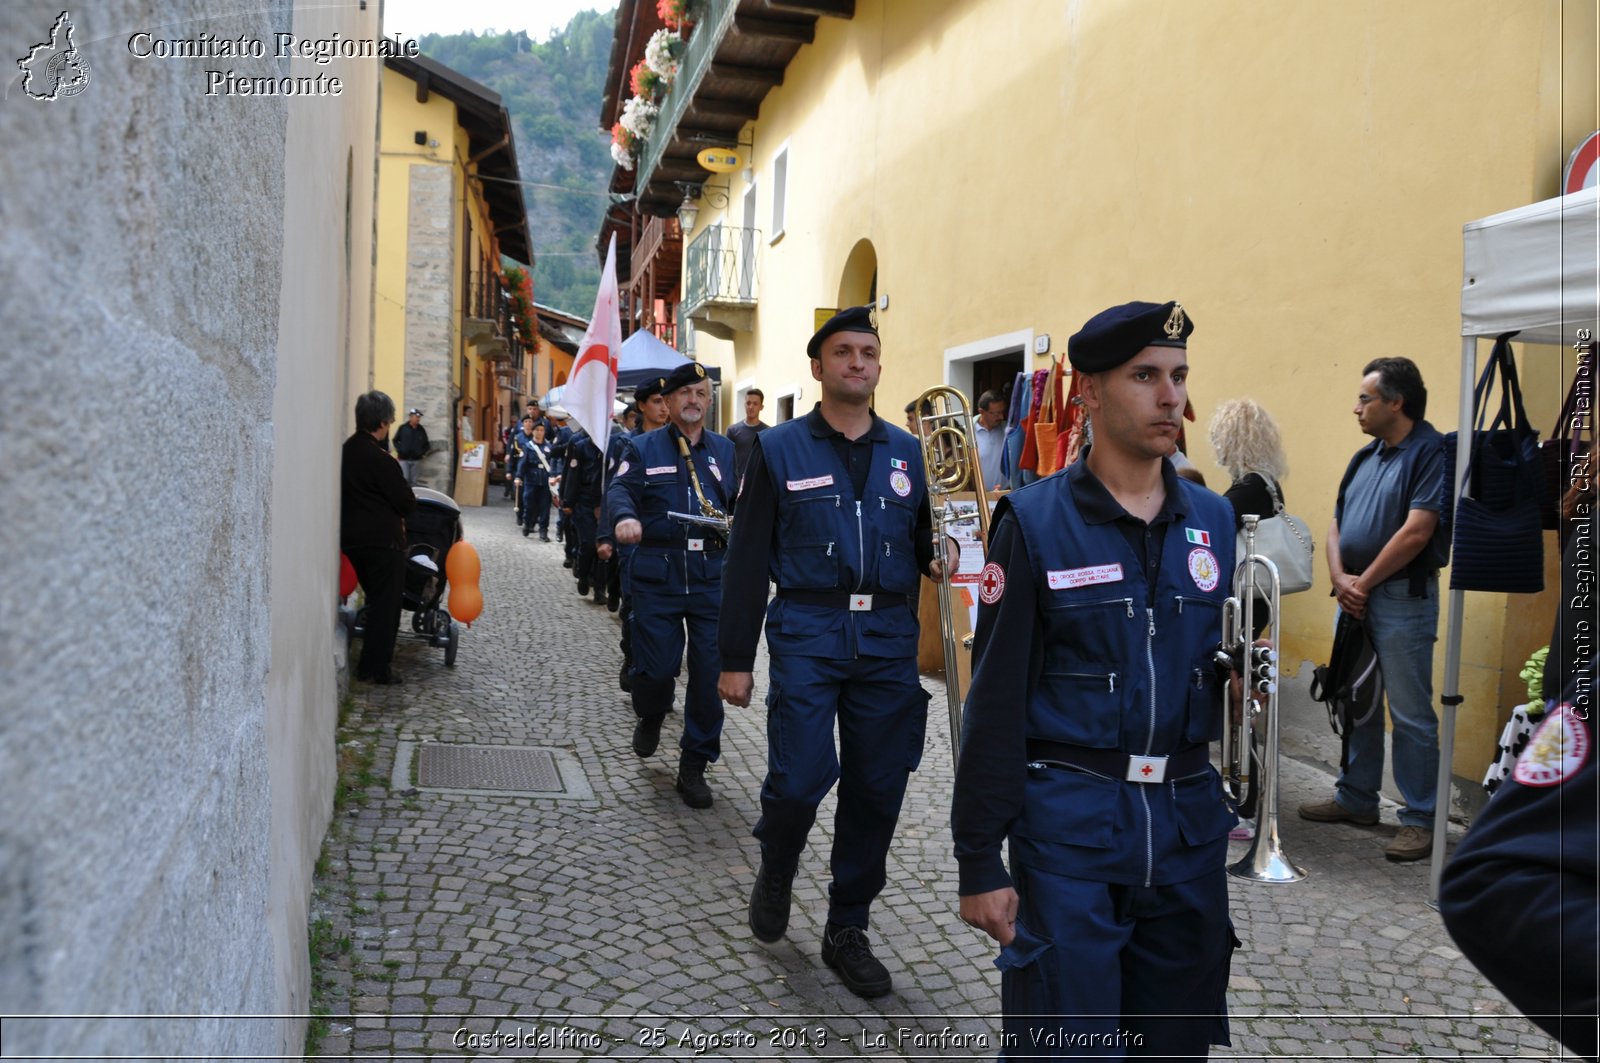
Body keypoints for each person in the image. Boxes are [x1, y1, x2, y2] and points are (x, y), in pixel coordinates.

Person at [951, 301, 1240, 1056]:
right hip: (1071, 837)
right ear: (1089, 392)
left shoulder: (1213, 520)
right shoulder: (1035, 523)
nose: (1169, 395)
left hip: (1185, 837)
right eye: (1144, 376)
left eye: (1178, 376)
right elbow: (995, 701)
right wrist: (979, 857)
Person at [719, 305, 948, 1000]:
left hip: (885, 638)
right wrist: (735, 656)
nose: (858, 362)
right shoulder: (780, 447)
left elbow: (927, 551)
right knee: (796, 781)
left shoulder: (909, 452)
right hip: (808, 632)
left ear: (879, 365)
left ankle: (848, 925)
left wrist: (949, 553)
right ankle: (778, 860)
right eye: (844, 351)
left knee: (878, 787)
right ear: (819, 367)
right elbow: (748, 554)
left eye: (869, 351)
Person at [1298, 356, 1448, 863]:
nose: (1355, 407)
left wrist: (1362, 582)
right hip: (1356, 597)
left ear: (1395, 402)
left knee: (1409, 714)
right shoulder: (1366, 456)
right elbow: (1335, 523)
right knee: (1354, 701)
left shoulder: (1430, 451)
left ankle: (1420, 819)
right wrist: (1341, 579)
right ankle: (1356, 799)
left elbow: (1418, 530)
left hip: (1402, 598)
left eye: (1365, 398)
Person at [608, 361, 736, 810]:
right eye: (685, 394)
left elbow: (743, 503)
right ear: (668, 401)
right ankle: (651, 712)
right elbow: (620, 490)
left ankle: (694, 764)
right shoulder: (641, 448)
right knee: (657, 668)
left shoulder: (726, 451)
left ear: (709, 400)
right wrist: (625, 518)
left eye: (702, 393)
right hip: (658, 574)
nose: (694, 401)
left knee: (708, 677)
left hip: (710, 577)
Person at [1206, 397, 1292, 838]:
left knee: (1240, 705)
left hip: (1242, 606)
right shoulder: (1268, 485)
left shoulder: (1247, 491)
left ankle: (1243, 803)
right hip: (1255, 601)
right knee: (1244, 701)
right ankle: (1243, 798)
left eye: (1221, 437)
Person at [600, 376, 672, 691]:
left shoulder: (678, 443)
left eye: (666, 400)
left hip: (669, 543)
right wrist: (606, 535)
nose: (664, 407)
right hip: (634, 540)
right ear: (641, 406)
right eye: (657, 401)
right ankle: (632, 657)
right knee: (634, 608)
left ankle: (659, 677)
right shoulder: (625, 444)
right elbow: (612, 492)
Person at [340, 390, 417, 686]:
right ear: (382, 423)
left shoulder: (346, 451)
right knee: (386, 607)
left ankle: (366, 665)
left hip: (351, 540)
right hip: (383, 544)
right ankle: (377, 668)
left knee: (374, 601)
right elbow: (405, 502)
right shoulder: (382, 460)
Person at [518, 419, 556, 540]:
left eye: (542, 430)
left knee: (545, 506)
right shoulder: (528, 447)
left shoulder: (549, 446)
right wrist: (519, 476)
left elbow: (553, 463)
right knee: (529, 504)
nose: (539, 432)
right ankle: (527, 524)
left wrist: (554, 476)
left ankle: (543, 531)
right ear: (533, 431)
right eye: (537, 430)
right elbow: (523, 463)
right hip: (531, 479)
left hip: (545, 480)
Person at [727, 387, 770, 487]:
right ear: (744, 404)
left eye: (755, 404)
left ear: (761, 407)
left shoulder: (767, 432)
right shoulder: (733, 430)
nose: (751, 407)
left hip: (759, 484)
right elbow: (727, 459)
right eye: (748, 403)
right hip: (736, 484)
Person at [972, 389, 1008, 491]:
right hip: (977, 497)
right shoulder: (968, 434)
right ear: (981, 412)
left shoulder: (1008, 431)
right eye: (995, 413)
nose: (1001, 417)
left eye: (1002, 412)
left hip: (1005, 495)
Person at [393, 408, 430, 487]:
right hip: (403, 459)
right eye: (417, 416)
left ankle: (413, 498)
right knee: (404, 479)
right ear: (411, 417)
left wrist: (421, 453)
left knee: (414, 482)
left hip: (416, 460)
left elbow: (427, 445)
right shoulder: (403, 428)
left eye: (419, 417)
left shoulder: (421, 430)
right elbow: (395, 440)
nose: (418, 419)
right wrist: (400, 450)